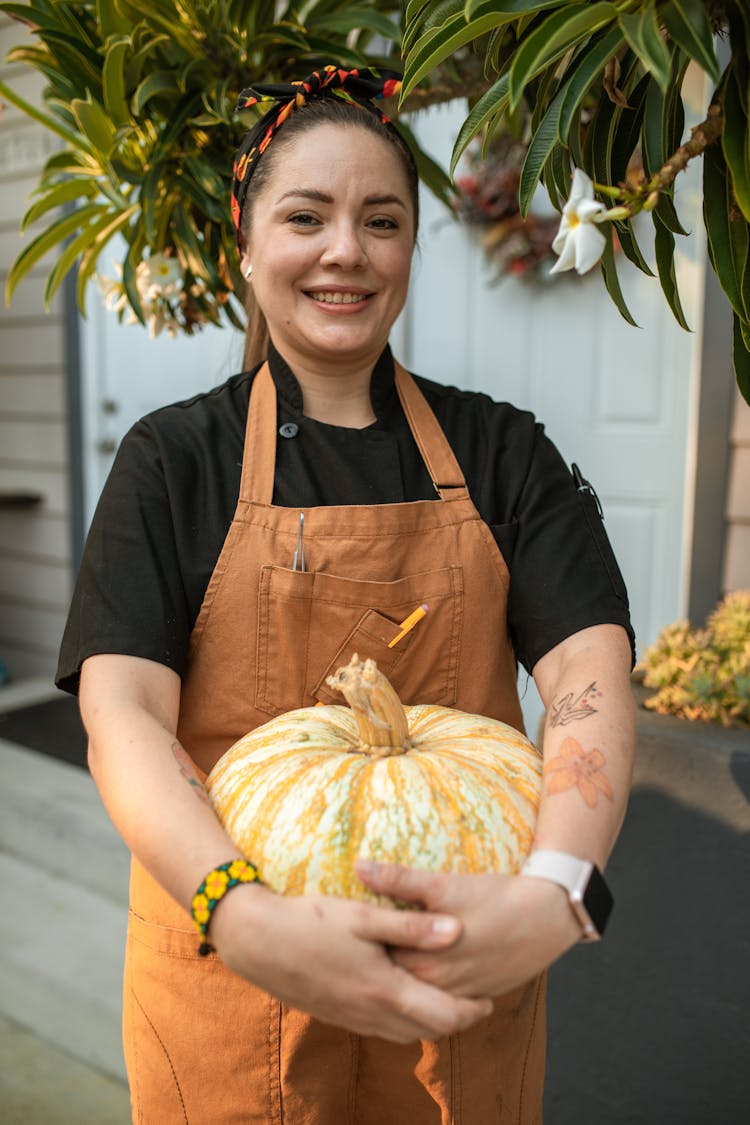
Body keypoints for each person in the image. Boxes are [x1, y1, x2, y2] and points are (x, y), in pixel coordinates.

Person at [57, 66, 636, 1123]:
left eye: (382, 220)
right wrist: (238, 913)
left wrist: (564, 890)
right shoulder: (174, 459)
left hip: (462, 995)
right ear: (246, 240)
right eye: (306, 216)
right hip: (228, 987)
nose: (345, 251)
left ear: (412, 247)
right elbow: (121, 710)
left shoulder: (504, 451)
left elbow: (590, 674)